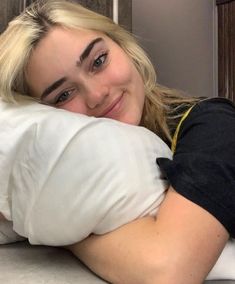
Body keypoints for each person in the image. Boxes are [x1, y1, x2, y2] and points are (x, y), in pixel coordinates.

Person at [0, 0, 234, 283]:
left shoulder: (213, 124)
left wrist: (64, 233)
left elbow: (168, 271)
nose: (97, 95)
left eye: (98, 61)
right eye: (63, 95)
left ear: (123, 46)